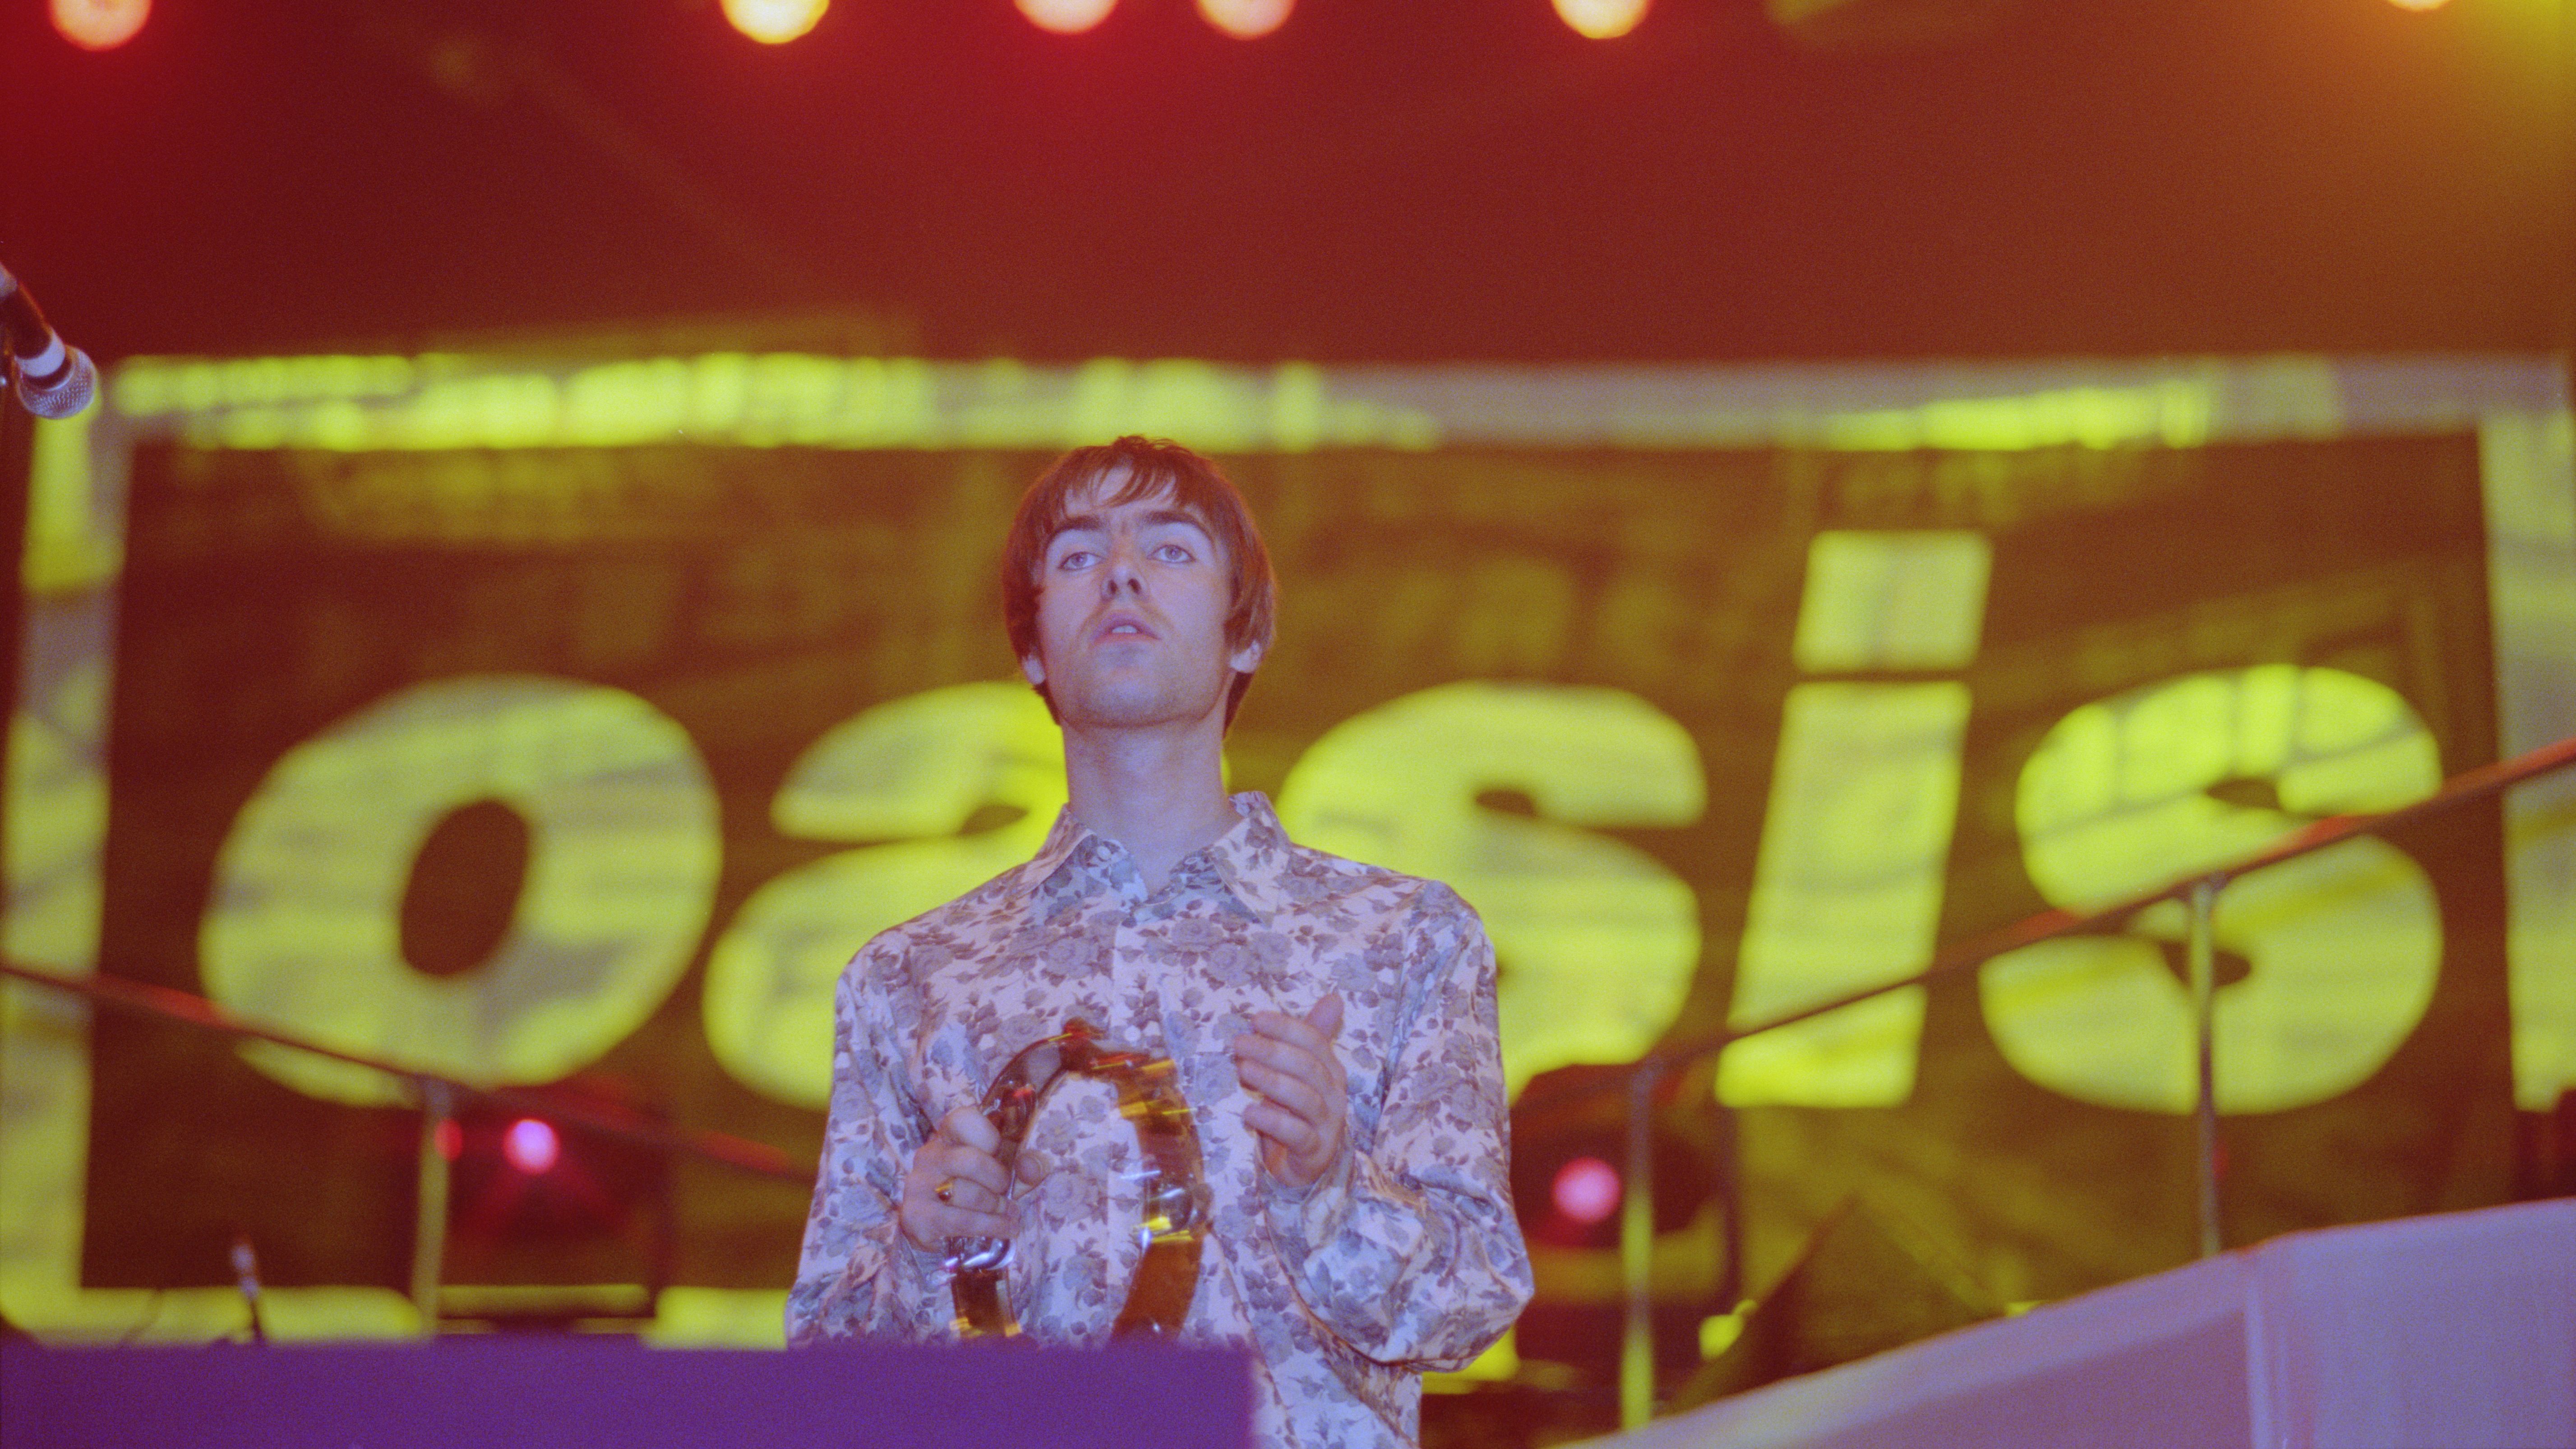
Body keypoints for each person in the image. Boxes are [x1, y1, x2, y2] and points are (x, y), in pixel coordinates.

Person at [787, 437, 1532, 1447]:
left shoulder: (1402, 939)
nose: (1124, 571)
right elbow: (825, 1389)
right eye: (1079, 554)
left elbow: (1472, 1302)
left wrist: (1326, 1181)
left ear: (1247, 635)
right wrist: (922, 1251)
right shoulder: (908, 979)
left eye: (1172, 548)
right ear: (1033, 648)